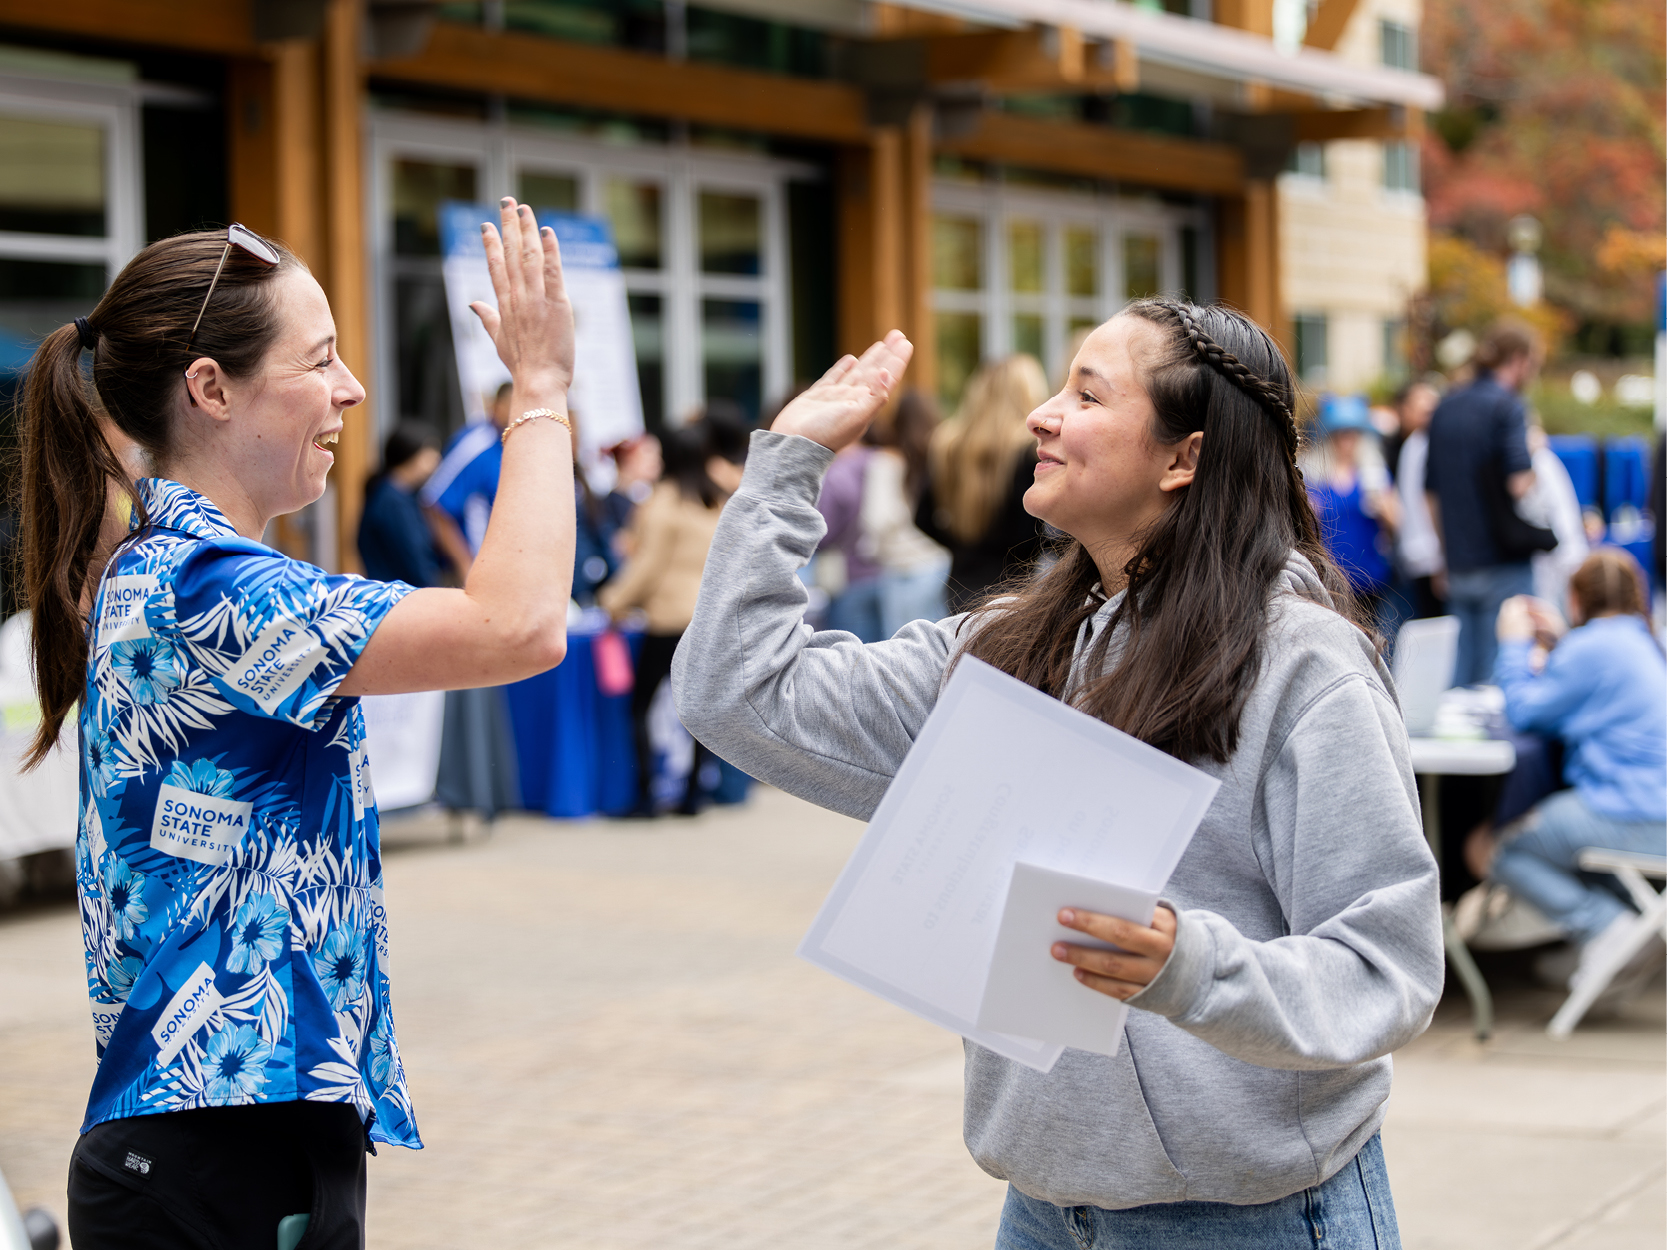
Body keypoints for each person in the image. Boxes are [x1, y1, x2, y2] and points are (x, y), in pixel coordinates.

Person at [675, 302, 1441, 1247]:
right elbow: (733, 693)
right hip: (1043, 1211)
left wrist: (1184, 967)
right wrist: (786, 467)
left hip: (1252, 1217)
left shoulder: (1303, 667)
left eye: (1086, 393)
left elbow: (1384, 967)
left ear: (1182, 459)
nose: (1041, 414)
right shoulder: (1004, 650)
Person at [20, 202, 574, 1247]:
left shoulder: (178, 569)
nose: (350, 390)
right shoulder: (207, 586)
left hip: (220, 1148)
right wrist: (539, 394)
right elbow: (520, 625)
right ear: (211, 389)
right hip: (214, 1157)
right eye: (318, 358)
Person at [1466, 550, 1666, 1005]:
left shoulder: (1591, 647)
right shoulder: (1642, 640)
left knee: (1494, 845)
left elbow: (1523, 709)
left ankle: (1605, 926)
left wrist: (1515, 644)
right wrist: (1562, 643)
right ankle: (1615, 930)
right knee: (1559, 837)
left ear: (1575, 600)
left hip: (1636, 816)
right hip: (1653, 811)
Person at [600, 417, 743, 816]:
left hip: (667, 620)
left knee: (639, 707)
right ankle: (694, 793)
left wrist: (613, 602)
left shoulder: (662, 502)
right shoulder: (719, 500)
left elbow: (647, 565)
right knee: (699, 709)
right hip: (707, 619)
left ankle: (645, 795)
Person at [1424, 322, 1548, 685]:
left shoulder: (1445, 406)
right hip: (1503, 563)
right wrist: (1536, 450)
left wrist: (1444, 556)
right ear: (1520, 360)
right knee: (1504, 675)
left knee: (1460, 680)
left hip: (1459, 563)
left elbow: (1430, 493)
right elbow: (1519, 483)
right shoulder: (1508, 407)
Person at [916, 355, 1050, 613]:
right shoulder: (1028, 450)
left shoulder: (948, 444)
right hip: (1014, 588)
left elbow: (921, 517)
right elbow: (1029, 533)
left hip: (961, 585)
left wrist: (961, 543)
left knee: (963, 653)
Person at [863, 389, 950, 637]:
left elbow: (877, 519)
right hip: (938, 563)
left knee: (903, 657)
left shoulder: (885, 462)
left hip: (901, 569)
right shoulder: (940, 457)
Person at [1307, 393, 1398, 629]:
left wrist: (1384, 509)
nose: (1346, 441)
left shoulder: (1374, 474)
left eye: (1352, 434)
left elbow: (1396, 523)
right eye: (1340, 434)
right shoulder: (1313, 477)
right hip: (1328, 579)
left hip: (1368, 577)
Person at [357, 424, 444, 586]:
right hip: (401, 595)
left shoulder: (393, 493)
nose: (437, 459)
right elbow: (414, 557)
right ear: (410, 454)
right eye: (431, 453)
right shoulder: (394, 502)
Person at [1390, 379, 1446, 619]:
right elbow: (1425, 503)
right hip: (1427, 557)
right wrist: (1439, 559)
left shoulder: (1417, 444)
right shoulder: (1419, 445)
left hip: (1422, 556)